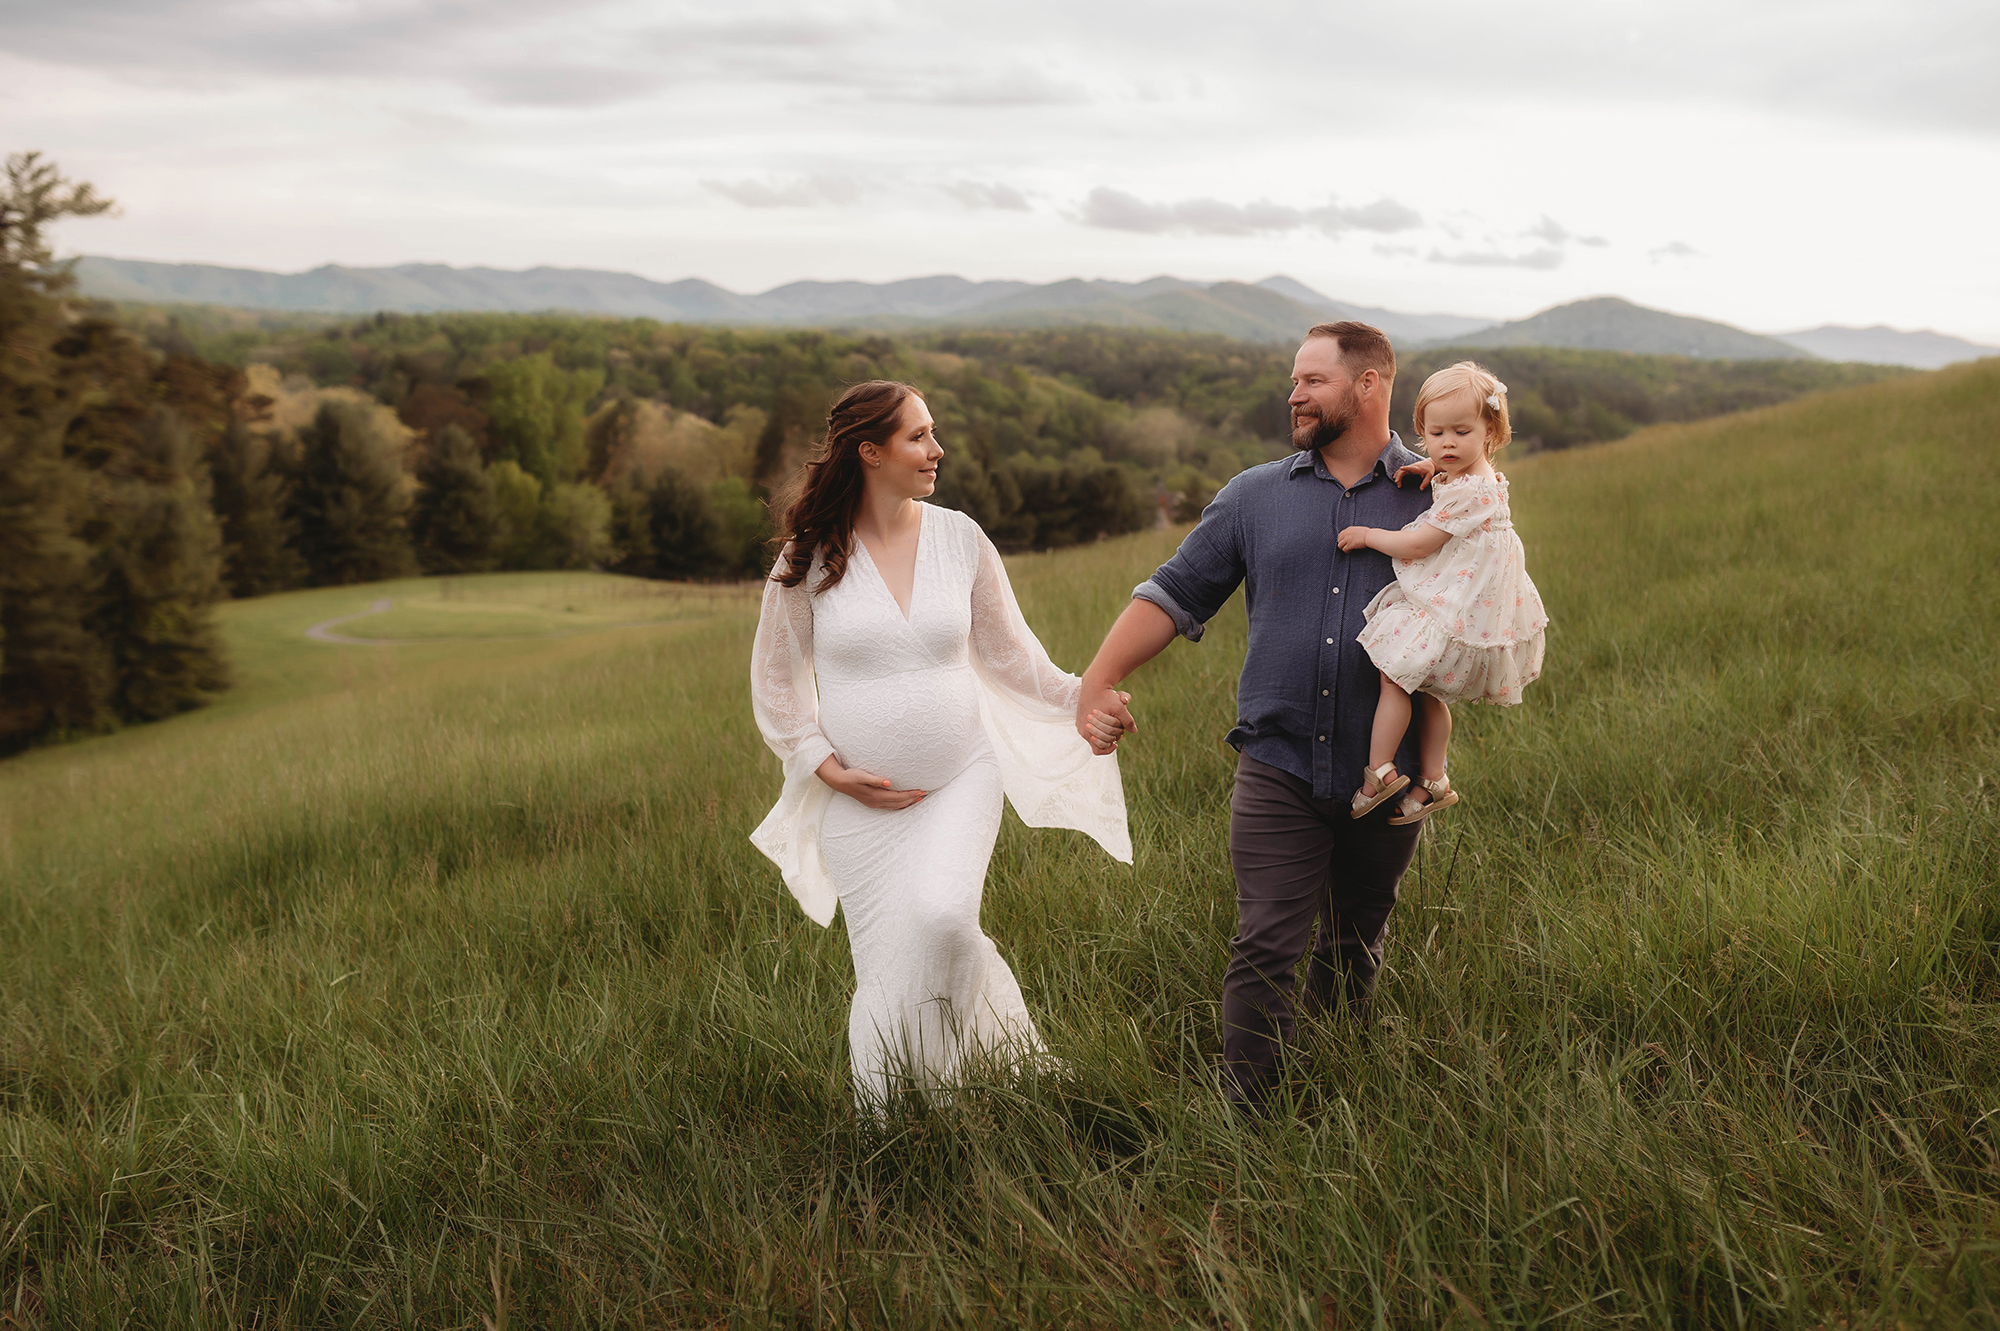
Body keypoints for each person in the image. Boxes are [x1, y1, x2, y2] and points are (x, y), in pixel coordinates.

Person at [1073, 322, 1432, 1111]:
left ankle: (1340, 1092)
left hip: (1392, 773)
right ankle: (1250, 1122)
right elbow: (1172, 593)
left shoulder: (1436, 492)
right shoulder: (1254, 496)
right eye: (1293, 379)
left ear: (1369, 385)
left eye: (1313, 380)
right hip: (1278, 765)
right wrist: (1097, 679)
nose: (1293, 393)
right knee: (1266, 942)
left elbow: (1494, 592)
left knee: (1355, 942)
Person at [749, 380, 1132, 1112]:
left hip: (962, 774)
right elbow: (776, 687)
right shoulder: (808, 560)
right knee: (890, 961)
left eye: (933, 432)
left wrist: (1086, 696)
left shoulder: (961, 539)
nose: (937, 448)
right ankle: (896, 1112)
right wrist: (829, 770)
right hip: (857, 807)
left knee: (944, 919)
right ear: (870, 452)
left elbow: (1013, 658)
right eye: (919, 436)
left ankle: (945, 1100)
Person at [1338, 361, 1549, 824]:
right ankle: (1434, 780)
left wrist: (1369, 535)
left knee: (1394, 672)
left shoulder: (1472, 493)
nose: (1448, 443)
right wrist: (1432, 465)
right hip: (1466, 590)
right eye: (1436, 434)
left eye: (1461, 432)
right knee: (1429, 688)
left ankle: (1379, 771)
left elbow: (1420, 542)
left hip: (1462, 597)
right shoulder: (1471, 473)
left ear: (1490, 431)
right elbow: (1452, 467)